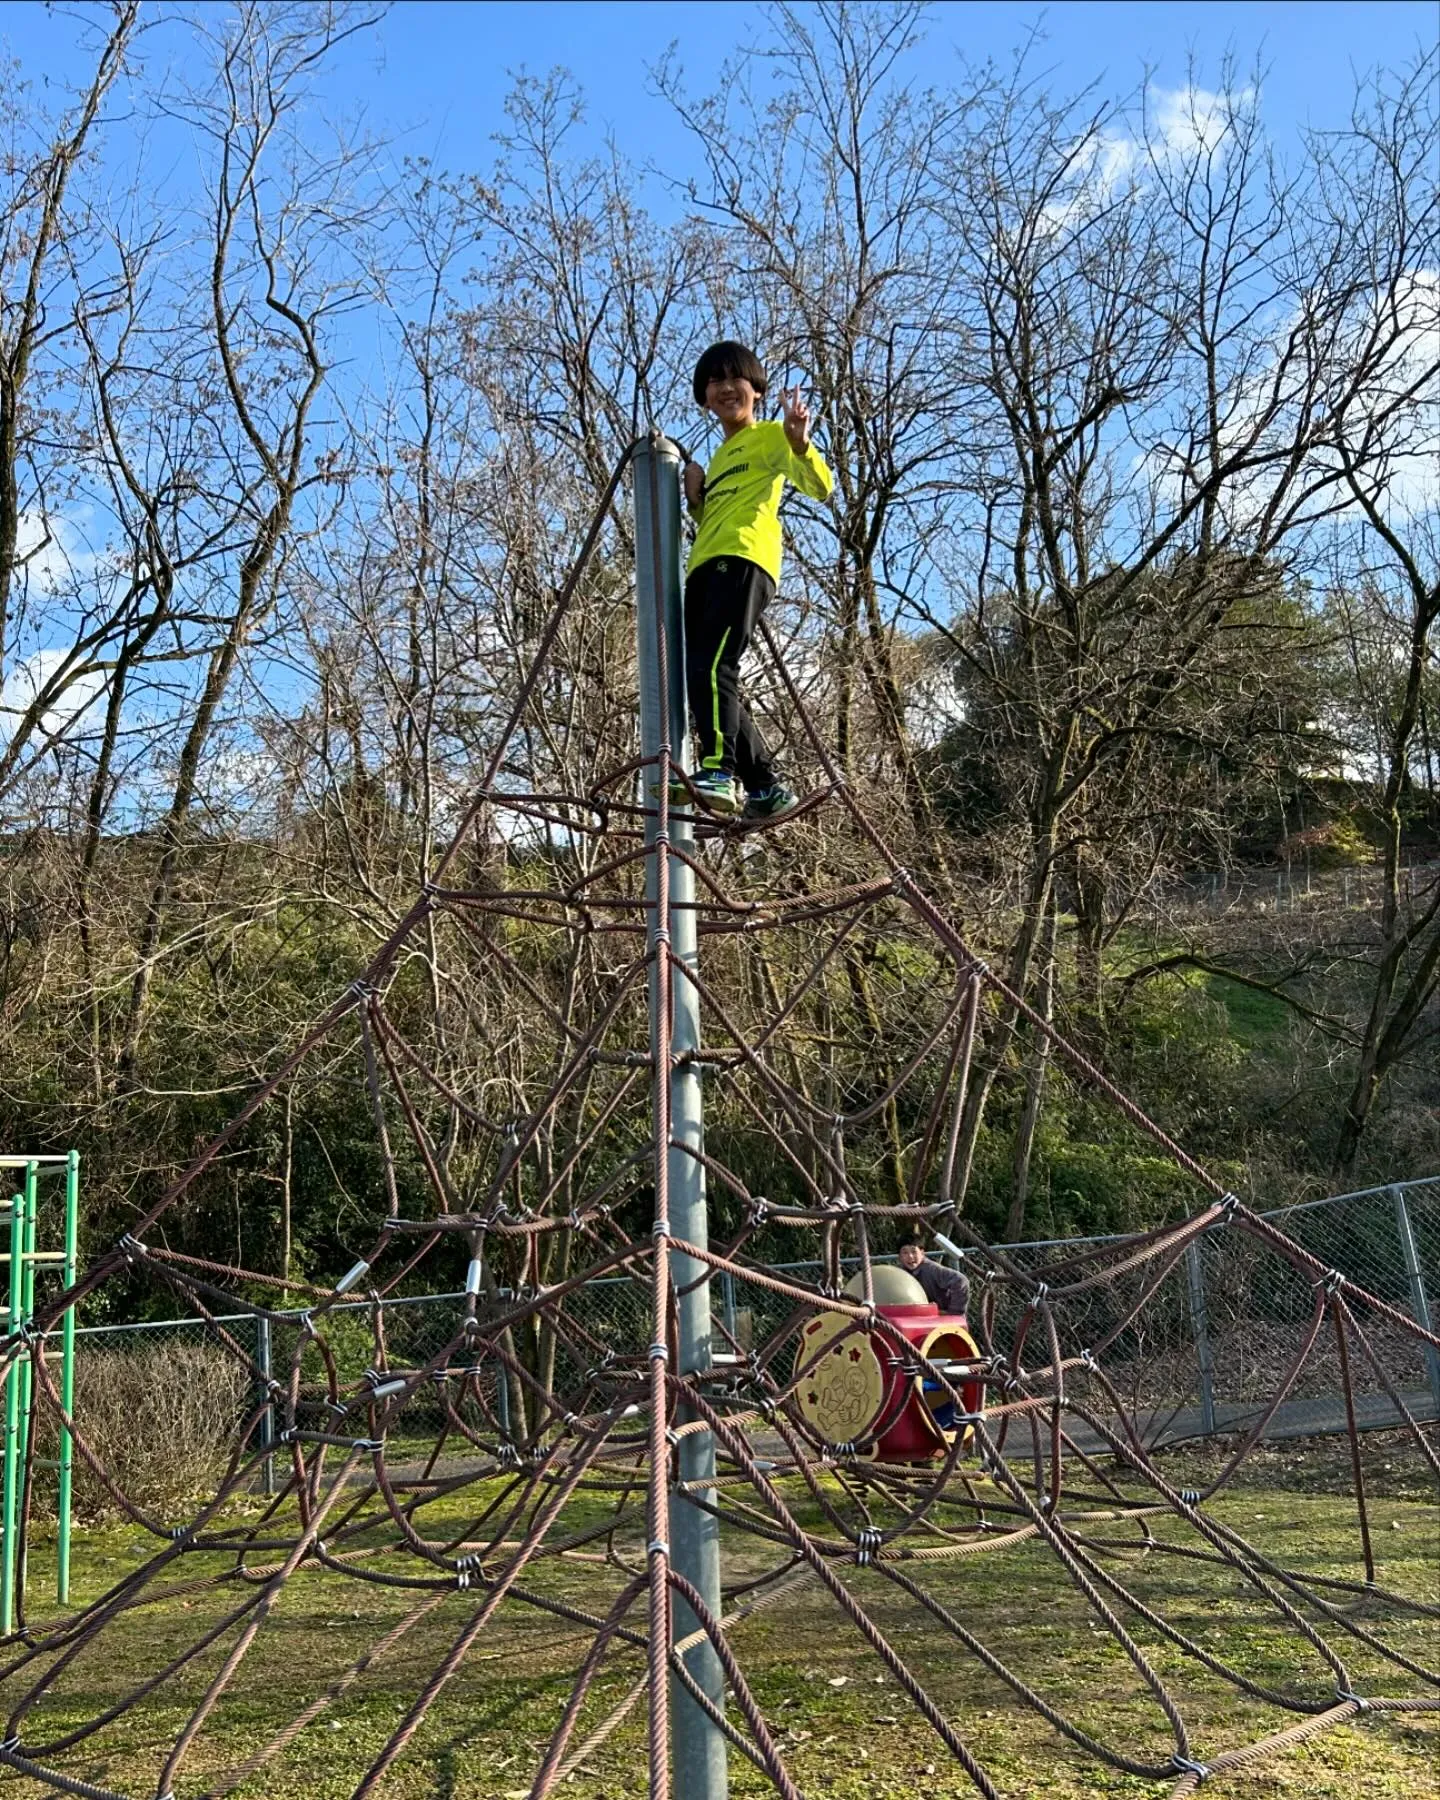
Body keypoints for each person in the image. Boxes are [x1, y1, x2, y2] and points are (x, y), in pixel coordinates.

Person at [677, 340, 833, 818]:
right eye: (714, 382)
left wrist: (799, 442)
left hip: (742, 561)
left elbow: (819, 487)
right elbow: (713, 519)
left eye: (735, 380)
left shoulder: (769, 437)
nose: (726, 389)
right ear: (704, 397)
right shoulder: (721, 455)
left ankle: (718, 770)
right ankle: (766, 788)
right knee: (699, 673)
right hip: (706, 565)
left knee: (715, 667)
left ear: (757, 390)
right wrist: (696, 499)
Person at [898, 1240, 970, 1319]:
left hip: (945, 1321)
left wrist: (954, 1312)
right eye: (905, 1253)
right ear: (900, 1257)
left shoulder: (932, 1269)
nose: (910, 1256)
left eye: (914, 1251)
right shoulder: (900, 1274)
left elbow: (960, 1280)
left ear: (922, 1253)